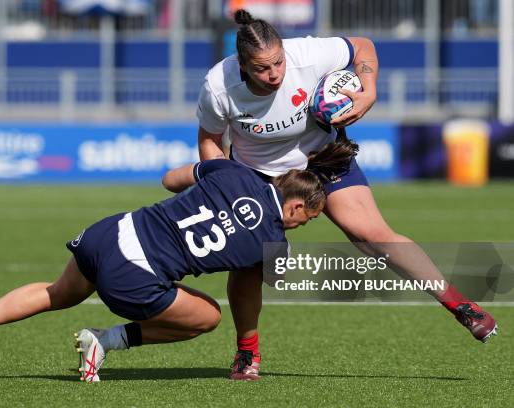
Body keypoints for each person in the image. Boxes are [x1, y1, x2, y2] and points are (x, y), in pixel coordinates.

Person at [189, 8, 498, 381]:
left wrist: (367, 92)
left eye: (278, 63)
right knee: (251, 264)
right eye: (261, 68)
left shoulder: (307, 54)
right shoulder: (218, 86)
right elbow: (209, 141)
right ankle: (247, 353)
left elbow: (363, 48)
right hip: (258, 175)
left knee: (373, 236)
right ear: (241, 63)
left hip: (321, 157)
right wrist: (226, 184)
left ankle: (461, 305)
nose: (274, 75)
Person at [0, 151, 342, 382]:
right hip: (135, 273)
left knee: (57, 293)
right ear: (296, 205)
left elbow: (169, 179)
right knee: (208, 317)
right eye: (309, 218)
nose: (304, 224)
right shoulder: (273, 243)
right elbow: (269, 279)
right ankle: (104, 341)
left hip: (111, 231)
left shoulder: (234, 171)